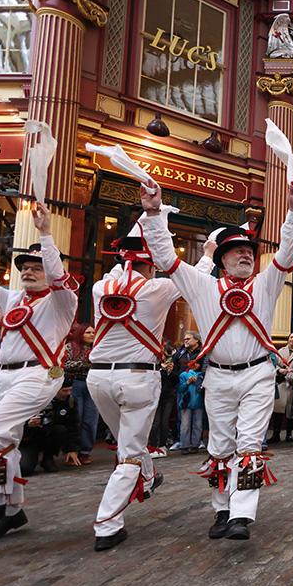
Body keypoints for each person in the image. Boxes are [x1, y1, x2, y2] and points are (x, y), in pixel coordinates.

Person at [139, 181, 293, 541]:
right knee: (220, 445)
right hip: (217, 377)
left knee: (249, 443)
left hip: (258, 374)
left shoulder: (266, 284)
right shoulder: (202, 286)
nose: (245, 255)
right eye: (236, 251)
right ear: (222, 260)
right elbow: (165, 259)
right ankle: (222, 509)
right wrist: (152, 213)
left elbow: (287, 252)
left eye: (249, 251)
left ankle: (242, 514)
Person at [0, 203, 78, 545]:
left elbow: (58, 275)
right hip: (2, 376)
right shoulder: (11, 298)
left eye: (37, 267)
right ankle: (11, 512)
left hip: (38, 374)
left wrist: (46, 233)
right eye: (25, 267)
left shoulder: (62, 301)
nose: (29, 272)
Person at [87, 229, 216, 551]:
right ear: (151, 265)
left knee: (127, 439)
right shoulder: (157, 288)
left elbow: (117, 272)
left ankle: (147, 477)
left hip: (97, 379)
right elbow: (194, 277)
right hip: (136, 378)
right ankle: (107, 524)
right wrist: (208, 254)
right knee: (129, 451)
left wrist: (132, 243)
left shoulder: (100, 288)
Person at [20, 380, 80, 475]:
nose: (68, 393)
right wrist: (28, 424)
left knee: (60, 430)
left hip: (50, 434)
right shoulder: (32, 399)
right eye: (65, 391)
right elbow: (15, 421)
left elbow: (74, 425)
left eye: (69, 390)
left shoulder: (70, 401)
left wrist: (72, 449)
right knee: (25, 470)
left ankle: (48, 457)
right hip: (31, 438)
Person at [65, 323, 98, 464]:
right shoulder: (70, 347)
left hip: (91, 383)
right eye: (88, 332)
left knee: (90, 418)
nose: (92, 335)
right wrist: (86, 363)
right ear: (80, 333)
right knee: (75, 417)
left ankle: (85, 451)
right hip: (75, 383)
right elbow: (65, 364)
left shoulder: (97, 349)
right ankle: (72, 449)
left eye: (93, 332)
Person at [267, 332, 293, 444]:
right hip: (281, 382)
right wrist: (279, 370)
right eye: (291, 337)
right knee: (278, 409)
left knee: (290, 410)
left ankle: (289, 434)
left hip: (292, 383)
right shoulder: (280, 351)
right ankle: (276, 434)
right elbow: (273, 363)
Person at [177, 360, 206, 455]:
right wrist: (187, 383)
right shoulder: (184, 374)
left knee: (198, 425)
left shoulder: (202, 375)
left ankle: (195, 445)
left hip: (199, 402)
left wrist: (198, 383)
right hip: (186, 402)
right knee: (185, 425)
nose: (195, 365)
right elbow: (179, 389)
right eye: (193, 363)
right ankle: (184, 446)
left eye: (197, 363)